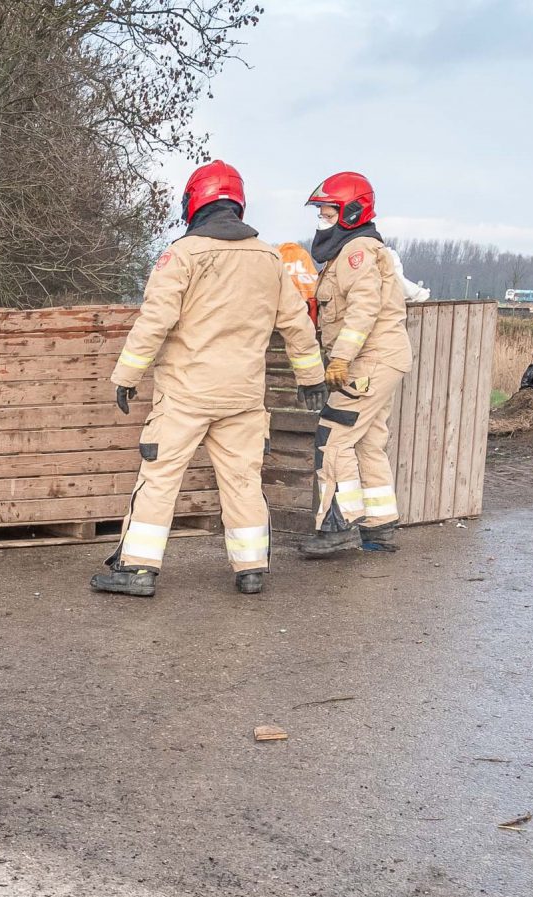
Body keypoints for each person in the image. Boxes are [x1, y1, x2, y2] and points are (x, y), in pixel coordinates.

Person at [93, 161, 326, 598]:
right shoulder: (268, 257)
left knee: (160, 476)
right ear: (238, 203)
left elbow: (155, 321)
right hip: (243, 396)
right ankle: (251, 568)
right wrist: (311, 377)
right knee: (242, 480)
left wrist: (127, 374)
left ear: (194, 202)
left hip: (186, 393)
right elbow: (297, 322)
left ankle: (138, 570)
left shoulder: (182, 254)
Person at [297, 171, 413, 560]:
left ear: (349, 211)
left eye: (326, 211)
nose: (321, 219)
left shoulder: (357, 251)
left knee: (332, 438)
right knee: (367, 441)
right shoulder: (352, 251)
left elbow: (364, 309)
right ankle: (379, 526)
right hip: (382, 360)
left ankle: (338, 525)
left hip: (368, 362)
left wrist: (342, 357)